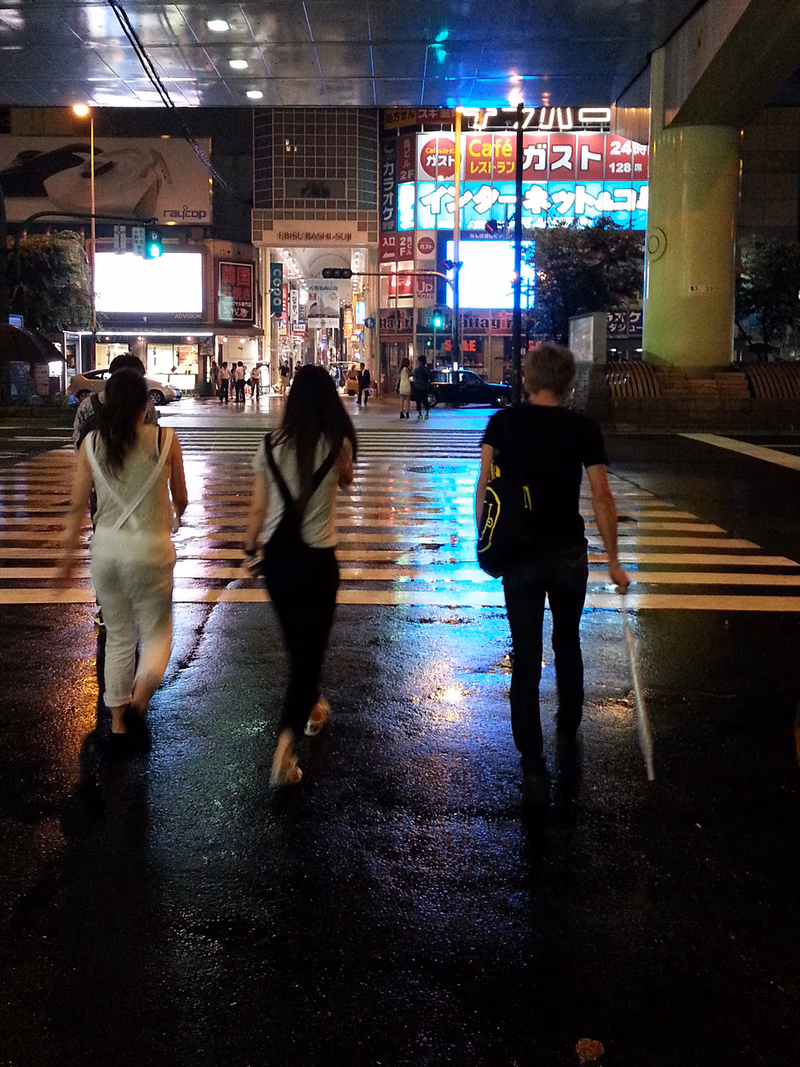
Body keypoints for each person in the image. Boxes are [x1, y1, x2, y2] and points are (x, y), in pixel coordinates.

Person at [475, 343, 630, 808]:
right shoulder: (582, 428)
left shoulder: (503, 423)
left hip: (519, 555)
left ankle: (531, 765)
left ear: (526, 380)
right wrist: (615, 560)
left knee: (525, 656)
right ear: (569, 384)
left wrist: (482, 540)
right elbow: (602, 497)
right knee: (567, 641)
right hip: (567, 553)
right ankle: (568, 728)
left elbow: (485, 485)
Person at [60, 368, 188, 754]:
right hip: (150, 551)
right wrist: (177, 516)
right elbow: (181, 497)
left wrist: (66, 557)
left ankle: (117, 728)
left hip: (107, 552)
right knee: (157, 636)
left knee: (118, 636)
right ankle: (137, 704)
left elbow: (78, 506)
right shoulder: (165, 440)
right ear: (145, 404)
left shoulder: (92, 445)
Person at [242, 365, 356, 788]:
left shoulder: (269, 444)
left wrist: (248, 549)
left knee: (299, 651)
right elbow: (345, 481)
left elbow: (257, 511)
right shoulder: (339, 443)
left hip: (278, 563)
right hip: (319, 562)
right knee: (307, 657)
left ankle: (311, 710)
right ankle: (284, 748)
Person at [412, 355, 431, 419]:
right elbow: (429, 377)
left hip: (417, 387)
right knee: (426, 401)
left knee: (418, 401)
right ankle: (427, 414)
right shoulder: (427, 369)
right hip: (425, 387)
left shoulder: (417, 369)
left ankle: (420, 414)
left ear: (419, 361)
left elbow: (414, 377)